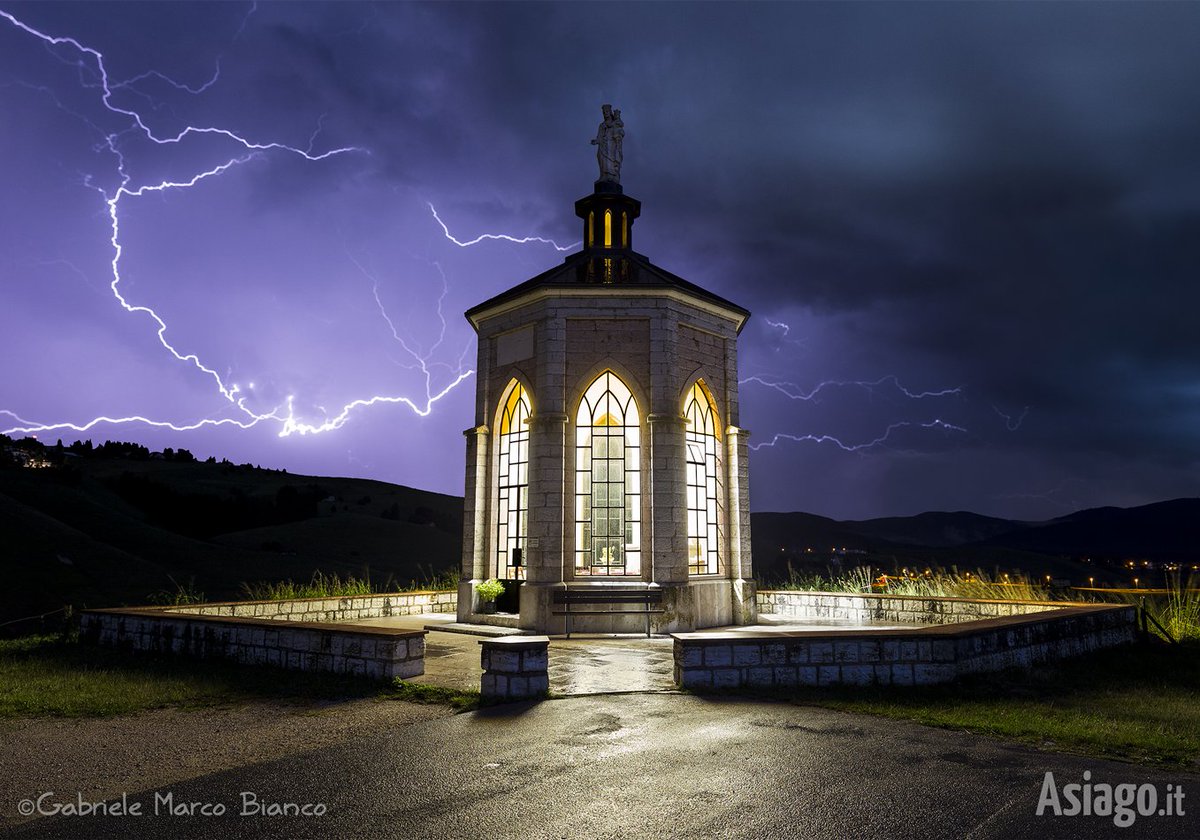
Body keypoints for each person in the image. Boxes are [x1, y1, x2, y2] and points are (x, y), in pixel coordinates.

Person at [591, 104, 624, 183]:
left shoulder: (615, 122)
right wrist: (596, 141)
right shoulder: (602, 125)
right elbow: (599, 136)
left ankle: (612, 175)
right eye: (604, 112)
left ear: (610, 112)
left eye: (607, 111)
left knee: (611, 160)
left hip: (612, 145)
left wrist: (618, 136)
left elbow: (620, 132)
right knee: (601, 158)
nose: (605, 113)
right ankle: (603, 175)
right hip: (603, 145)